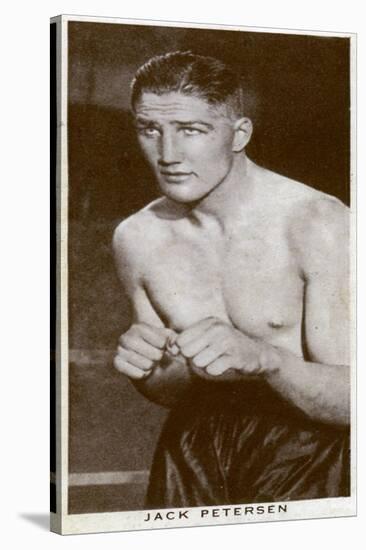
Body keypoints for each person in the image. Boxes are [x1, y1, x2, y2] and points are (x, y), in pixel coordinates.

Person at [112, 51, 350, 508]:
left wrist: (268, 359)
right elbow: (174, 391)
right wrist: (152, 368)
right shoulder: (137, 237)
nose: (168, 155)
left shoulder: (317, 223)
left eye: (191, 131)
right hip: (194, 447)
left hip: (309, 449)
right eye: (150, 129)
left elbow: (353, 403)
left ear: (239, 134)